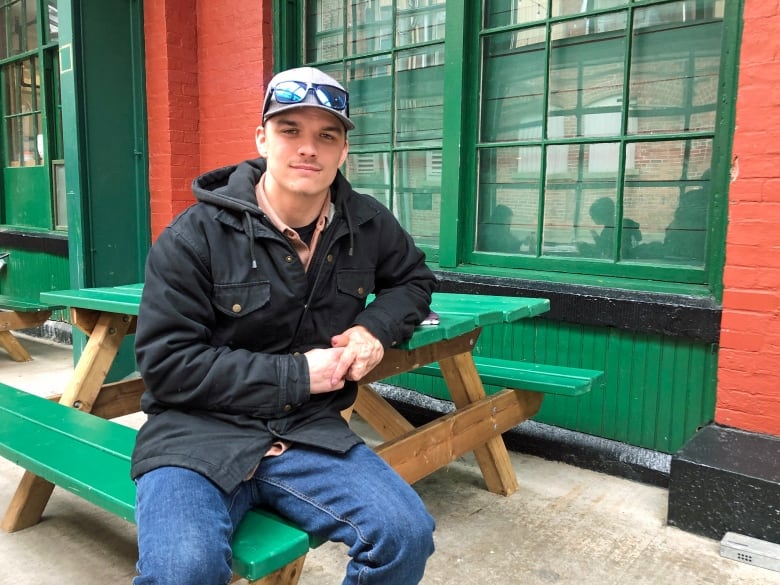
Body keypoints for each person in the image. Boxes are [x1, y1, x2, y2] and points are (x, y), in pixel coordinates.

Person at [130, 66, 438, 585]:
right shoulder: (194, 236)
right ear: (262, 139)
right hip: (195, 435)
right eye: (290, 130)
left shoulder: (366, 222)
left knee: (404, 535)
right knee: (184, 570)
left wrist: (373, 330)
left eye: (327, 135)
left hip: (306, 431)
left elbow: (412, 281)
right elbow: (167, 366)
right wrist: (299, 375)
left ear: (343, 152)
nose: (308, 148)